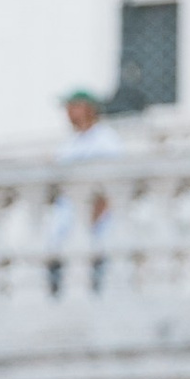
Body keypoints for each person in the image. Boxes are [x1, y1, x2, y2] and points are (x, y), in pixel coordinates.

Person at [43, 88, 123, 294]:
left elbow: (108, 189)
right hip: (64, 227)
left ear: (87, 108)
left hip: (95, 229)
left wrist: (88, 224)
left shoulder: (106, 140)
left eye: (72, 107)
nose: (68, 113)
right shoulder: (70, 144)